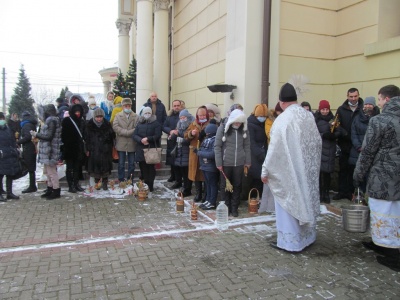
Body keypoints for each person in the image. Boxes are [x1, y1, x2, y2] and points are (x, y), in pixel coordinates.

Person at [261, 83, 322, 252]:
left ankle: (291, 242)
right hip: (307, 170)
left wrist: (265, 170)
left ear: (281, 102)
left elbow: (274, 148)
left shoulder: (283, 119)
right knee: (305, 200)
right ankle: (307, 237)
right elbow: (317, 142)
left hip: (290, 171)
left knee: (289, 202)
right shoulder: (308, 115)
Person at [353, 84, 400, 272]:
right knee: (395, 213)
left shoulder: (380, 121)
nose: (378, 103)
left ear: (386, 99)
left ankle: (394, 254)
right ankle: (383, 244)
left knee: (383, 211)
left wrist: (358, 174)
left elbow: (368, 152)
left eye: (379, 99)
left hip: (383, 177)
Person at [215, 109, 251, 217]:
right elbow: (217, 146)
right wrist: (219, 163)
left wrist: (248, 161)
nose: (238, 124)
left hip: (239, 163)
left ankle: (234, 208)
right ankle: (226, 207)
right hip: (226, 163)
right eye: (236, 121)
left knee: (237, 185)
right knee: (225, 186)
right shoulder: (223, 128)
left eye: (240, 122)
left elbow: (247, 146)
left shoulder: (244, 130)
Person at [334, 88, 364, 200]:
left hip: (357, 145)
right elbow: (336, 123)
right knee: (343, 169)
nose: (353, 98)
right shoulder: (341, 109)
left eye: (355, 96)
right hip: (344, 143)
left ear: (358, 95)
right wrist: (344, 132)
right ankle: (341, 192)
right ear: (347, 96)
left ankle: (352, 193)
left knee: (354, 169)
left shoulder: (363, 108)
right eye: (351, 96)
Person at [314, 100, 343, 204]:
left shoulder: (333, 119)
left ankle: (326, 193)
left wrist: (333, 135)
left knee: (327, 174)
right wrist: (323, 135)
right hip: (320, 149)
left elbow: (339, 131)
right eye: (323, 109)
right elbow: (313, 133)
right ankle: (320, 193)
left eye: (326, 109)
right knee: (319, 174)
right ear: (320, 109)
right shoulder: (316, 119)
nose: (325, 111)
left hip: (330, 149)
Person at [349, 96, 380, 193]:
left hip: (372, 152)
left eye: (370, 104)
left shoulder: (378, 118)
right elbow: (353, 134)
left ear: (374, 105)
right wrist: (359, 147)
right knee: (359, 176)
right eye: (366, 104)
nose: (368, 106)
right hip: (358, 151)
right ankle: (359, 196)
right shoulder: (357, 118)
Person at [31, 104, 62, 200]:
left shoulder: (52, 121)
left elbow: (49, 136)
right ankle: (50, 188)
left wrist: (36, 134)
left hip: (50, 150)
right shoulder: (52, 120)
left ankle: (56, 190)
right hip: (48, 150)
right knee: (48, 172)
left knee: (52, 172)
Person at [133, 107, 162, 198]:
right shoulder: (139, 123)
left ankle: (150, 185)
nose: (147, 114)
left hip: (151, 148)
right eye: (145, 113)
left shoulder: (156, 123)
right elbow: (134, 135)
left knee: (150, 168)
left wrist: (148, 139)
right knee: (143, 167)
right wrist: (141, 140)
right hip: (141, 148)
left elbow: (158, 135)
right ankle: (145, 184)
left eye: (149, 113)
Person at [185, 106, 210, 202]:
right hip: (194, 153)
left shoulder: (210, 124)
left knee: (205, 174)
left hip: (206, 152)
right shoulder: (193, 123)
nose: (202, 116)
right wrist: (191, 133)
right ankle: (198, 193)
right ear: (197, 115)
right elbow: (185, 135)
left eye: (204, 115)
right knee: (196, 173)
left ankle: (206, 194)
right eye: (200, 115)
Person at [86, 108, 115, 190]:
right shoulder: (89, 125)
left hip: (105, 150)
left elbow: (112, 136)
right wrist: (87, 149)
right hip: (94, 150)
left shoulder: (107, 124)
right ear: (94, 117)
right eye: (97, 117)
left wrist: (109, 144)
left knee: (106, 168)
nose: (99, 119)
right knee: (95, 168)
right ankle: (97, 183)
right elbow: (87, 138)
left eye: (100, 117)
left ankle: (105, 183)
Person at [61, 104, 86, 193]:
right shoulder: (66, 121)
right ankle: (70, 186)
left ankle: (76, 184)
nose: (78, 114)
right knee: (69, 168)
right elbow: (63, 136)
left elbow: (84, 134)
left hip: (78, 148)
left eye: (79, 112)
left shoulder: (82, 121)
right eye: (76, 112)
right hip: (69, 148)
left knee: (77, 168)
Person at [112, 98, 138, 183]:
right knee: (121, 164)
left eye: (129, 105)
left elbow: (137, 128)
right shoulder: (117, 115)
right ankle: (121, 179)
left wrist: (128, 132)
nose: (127, 107)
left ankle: (130, 179)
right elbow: (115, 127)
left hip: (132, 143)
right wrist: (126, 132)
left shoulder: (135, 116)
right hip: (121, 142)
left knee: (131, 164)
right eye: (126, 106)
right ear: (122, 106)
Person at [195, 123, 219, 210]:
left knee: (212, 184)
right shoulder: (207, 139)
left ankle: (212, 202)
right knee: (208, 184)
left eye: (208, 133)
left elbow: (212, 154)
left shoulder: (215, 140)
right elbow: (203, 149)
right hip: (204, 165)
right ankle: (208, 200)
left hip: (211, 166)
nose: (207, 134)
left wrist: (199, 152)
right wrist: (198, 150)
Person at [247, 104, 268, 195]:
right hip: (255, 155)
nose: (262, 118)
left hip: (263, 152)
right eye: (260, 116)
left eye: (264, 116)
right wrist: (260, 153)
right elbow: (251, 142)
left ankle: (259, 197)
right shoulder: (250, 125)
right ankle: (253, 197)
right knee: (255, 176)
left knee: (261, 177)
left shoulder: (264, 124)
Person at [172, 109, 194, 197]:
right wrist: (174, 134)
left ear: (187, 117)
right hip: (180, 151)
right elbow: (177, 136)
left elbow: (191, 139)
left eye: (184, 117)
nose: (182, 119)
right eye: (180, 117)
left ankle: (188, 189)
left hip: (188, 151)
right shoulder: (179, 125)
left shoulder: (192, 125)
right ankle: (185, 187)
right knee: (183, 172)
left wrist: (182, 140)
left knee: (187, 171)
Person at [0, 112, 21, 201]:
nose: (2, 121)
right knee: (0, 175)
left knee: (10, 174)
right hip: (1, 155)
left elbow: (12, 140)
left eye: (3, 119)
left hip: (9, 155)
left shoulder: (7, 129)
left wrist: (15, 150)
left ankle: (9, 193)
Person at [17, 111, 38, 193]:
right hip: (32, 147)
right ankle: (32, 185)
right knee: (31, 167)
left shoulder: (26, 125)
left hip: (29, 148)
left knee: (30, 168)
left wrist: (18, 142)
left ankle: (32, 186)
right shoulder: (31, 124)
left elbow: (27, 137)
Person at [163, 100, 183, 186]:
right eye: (174, 106)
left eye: (178, 105)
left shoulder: (183, 115)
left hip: (180, 141)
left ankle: (179, 178)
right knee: (172, 159)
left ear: (181, 106)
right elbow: (164, 126)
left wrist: (178, 131)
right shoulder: (169, 116)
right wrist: (170, 131)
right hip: (171, 140)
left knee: (178, 161)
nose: (176, 107)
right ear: (172, 106)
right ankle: (173, 176)